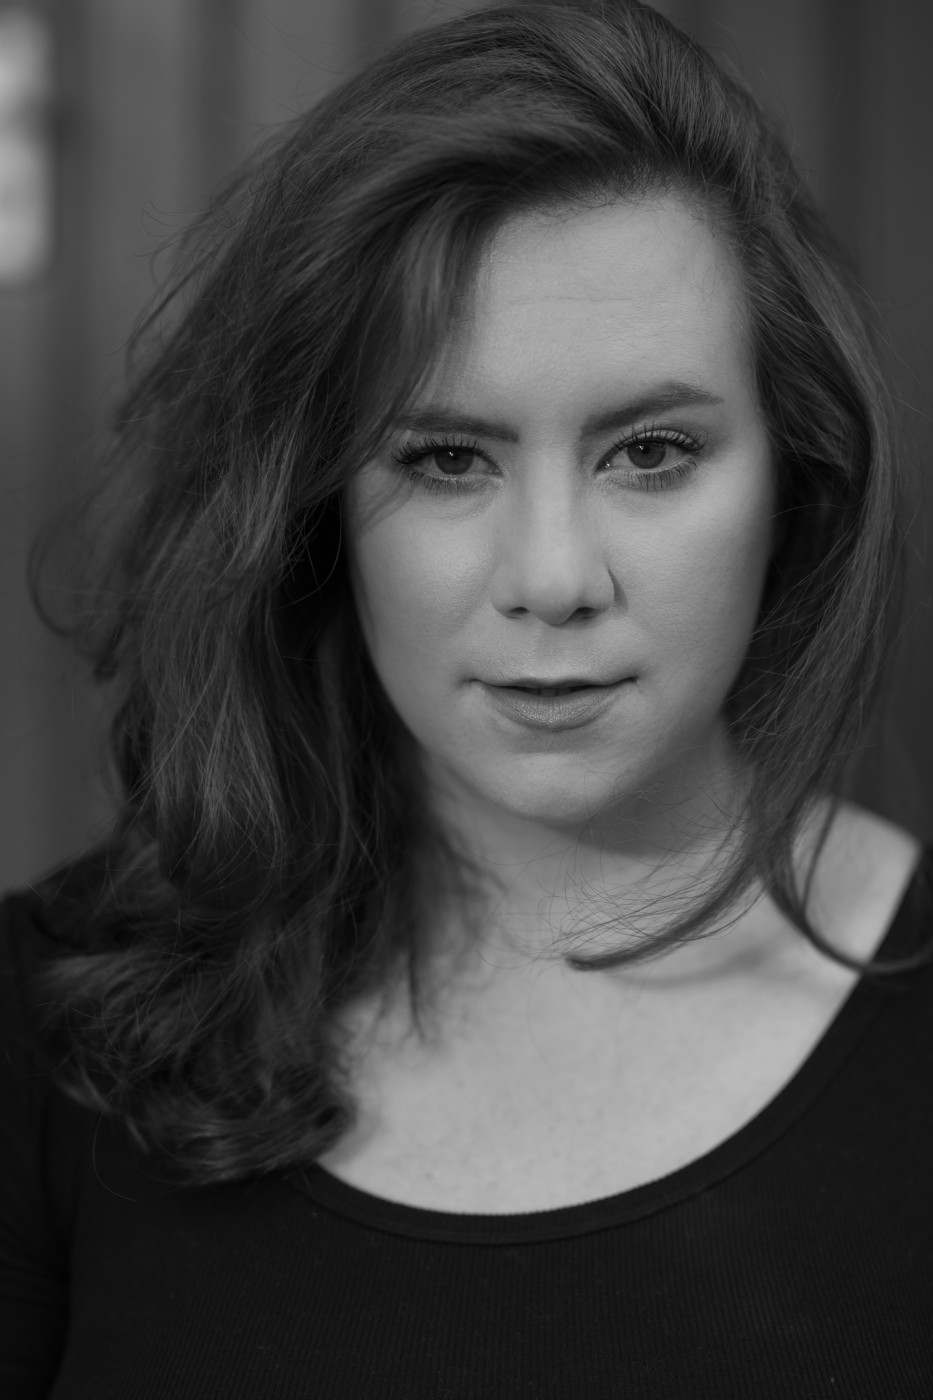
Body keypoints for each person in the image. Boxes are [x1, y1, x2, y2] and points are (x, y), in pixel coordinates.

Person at [2, 0, 931, 1394]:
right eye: (446, 459)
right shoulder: (48, 1036)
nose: (552, 578)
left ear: (792, 476)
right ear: (317, 511)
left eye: (651, 451)